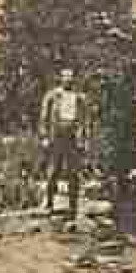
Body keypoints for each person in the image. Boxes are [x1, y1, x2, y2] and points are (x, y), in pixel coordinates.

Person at [39, 67, 85, 218]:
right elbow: (44, 117)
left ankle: (73, 207)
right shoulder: (53, 95)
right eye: (65, 77)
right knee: (54, 170)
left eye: (71, 77)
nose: (68, 80)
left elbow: (84, 120)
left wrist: (83, 139)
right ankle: (49, 203)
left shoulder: (78, 97)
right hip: (56, 135)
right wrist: (44, 136)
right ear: (61, 78)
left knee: (73, 173)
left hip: (72, 136)